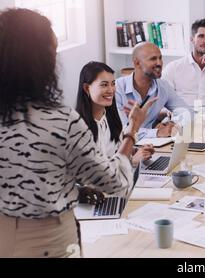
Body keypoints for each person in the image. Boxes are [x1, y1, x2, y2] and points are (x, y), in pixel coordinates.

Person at [0, 8, 155, 257]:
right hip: (48, 240)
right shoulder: (61, 120)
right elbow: (115, 182)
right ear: (41, 62)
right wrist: (133, 130)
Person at [76, 61, 154, 169]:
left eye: (113, 84)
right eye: (104, 85)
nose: (111, 90)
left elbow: (115, 152)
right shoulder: (78, 128)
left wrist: (136, 151)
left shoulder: (109, 117)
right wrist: (131, 161)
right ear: (86, 88)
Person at [115, 42, 191, 139]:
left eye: (160, 58)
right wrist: (156, 133)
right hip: (125, 146)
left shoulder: (163, 86)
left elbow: (187, 113)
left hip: (152, 145)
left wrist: (173, 123)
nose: (159, 63)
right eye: (153, 59)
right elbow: (122, 129)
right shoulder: (117, 88)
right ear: (137, 63)